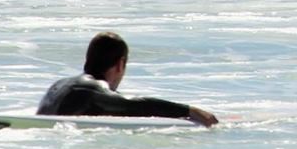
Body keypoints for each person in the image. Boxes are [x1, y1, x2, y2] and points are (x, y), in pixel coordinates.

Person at [35, 31, 219, 126]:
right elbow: (131, 105)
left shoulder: (60, 84)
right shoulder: (91, 89)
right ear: (120, 64)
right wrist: (190, 111)